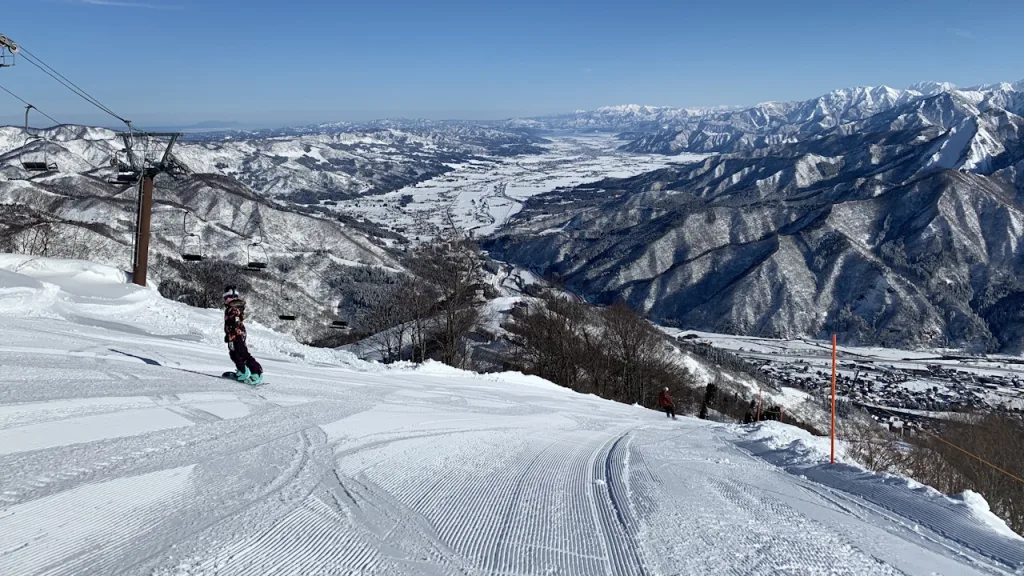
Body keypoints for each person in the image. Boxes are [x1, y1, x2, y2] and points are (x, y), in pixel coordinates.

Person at [224, 286, 264, 385]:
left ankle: (256, 372)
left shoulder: (234, 308)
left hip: (237, 334)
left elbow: (236, 321)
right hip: (232, 334)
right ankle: (242, 371)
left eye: (227, 298)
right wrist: (229, 334)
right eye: (226, 298)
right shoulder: (230, 307)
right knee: (234, 354)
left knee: (242, 353)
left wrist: (233, 333)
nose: (226, 300)